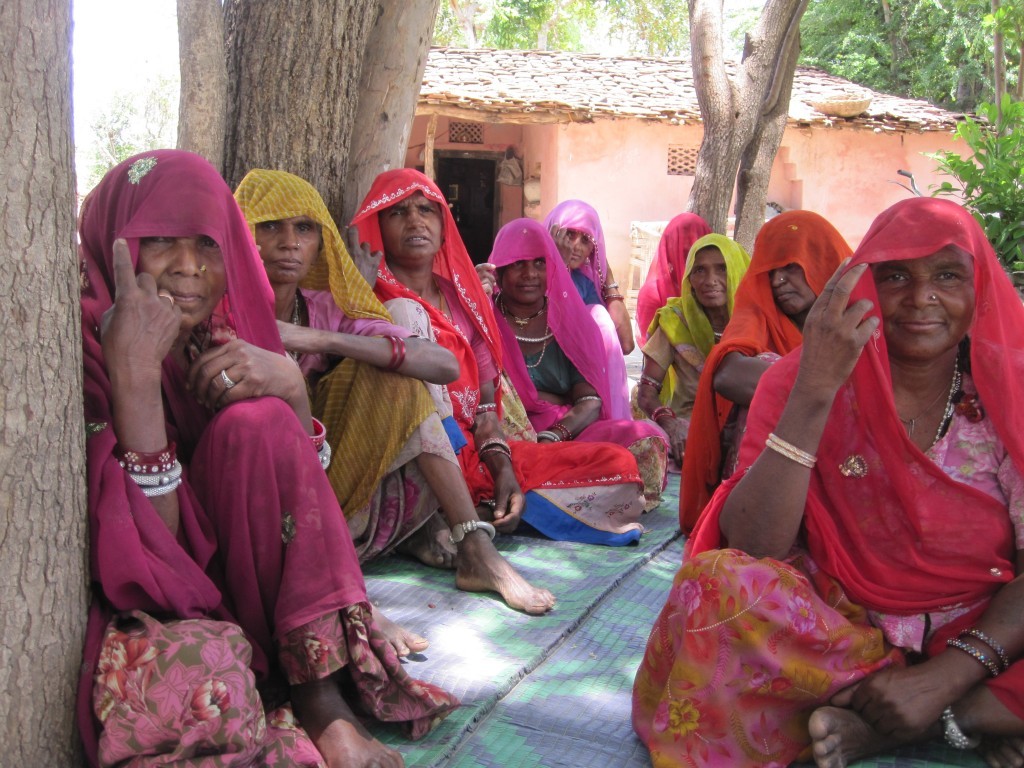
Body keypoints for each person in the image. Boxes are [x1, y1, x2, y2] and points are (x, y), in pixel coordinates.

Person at [78, 150, 457, 768]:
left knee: (260, 420)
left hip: (253, 586)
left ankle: (319, 696)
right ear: (114, 242)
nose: (188, 267)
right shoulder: (92, 347)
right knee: (199, 682)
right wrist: (137, 380)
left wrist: (292, 387)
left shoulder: (221, 334)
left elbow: (297, 491)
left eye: (207, 242)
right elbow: (156, 560)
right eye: (159, 241)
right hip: (162, 590)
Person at [632, 197, 1024, 768]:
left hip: (984, 632)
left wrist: (947, 678)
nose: (921, 299)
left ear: (980, 284)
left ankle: (928, 720)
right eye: (895, 277)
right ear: (861, 284)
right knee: (716, 587)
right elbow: (752, 544)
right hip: (841, 633)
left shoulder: (1009, 392)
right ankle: (968, 713)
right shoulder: (799, 379)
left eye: (946, 275)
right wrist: (814, 390)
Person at [234, 168, 555, 617]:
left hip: (381, 473)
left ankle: (472, 542)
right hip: (273, 504)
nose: (290, 241)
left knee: (401, 365)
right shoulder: (225, 315)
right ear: (240, 234)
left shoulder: (326, 309)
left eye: (304, 228)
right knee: (385, 349)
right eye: (270, 226)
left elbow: (441, 365)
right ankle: (461, 540)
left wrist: (315, 339)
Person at [352, 169, 648, 547]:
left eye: (426, 210)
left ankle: (487, 505)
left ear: (444, 226)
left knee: (619, 467)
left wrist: (504, 469)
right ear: (378, 224)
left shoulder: (464, 301)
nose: (414, 221)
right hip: (415, 456)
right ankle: (460, 512)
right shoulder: (370, 298)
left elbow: (486, 409)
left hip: (479, 453)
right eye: (397, 212)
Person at [679, 211, 851, 531]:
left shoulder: (859, 322)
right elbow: (728, 374)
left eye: (790, 266)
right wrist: (821, 388)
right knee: (762, 386)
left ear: (821, 258)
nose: (778, 281)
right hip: (774, 468)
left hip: (846, 459)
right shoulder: (758, 316)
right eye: (771, 271)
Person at [487, 217, 670, 509]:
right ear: (500, 270)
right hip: (501, 437)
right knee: (494, 456)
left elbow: (589, 401)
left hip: (562, 434)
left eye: (539, 263)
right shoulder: (483, 317)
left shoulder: (567, 317)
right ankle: (560, 492)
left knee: (646, 439)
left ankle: (547, 489)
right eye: (518, 263)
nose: (530, 274)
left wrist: (553, 436)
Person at [635, 233, 750, 468]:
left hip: (744, 427)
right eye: (699, 271)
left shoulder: (757, 321)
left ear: (738, 271)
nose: (710, 280)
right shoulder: (674, 321)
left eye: (722, 269)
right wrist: (671, 425)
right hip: (686, 428)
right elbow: (646, 391)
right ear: (689, 279)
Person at [542, 199, 636, 356]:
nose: (576, 246)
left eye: (586, 240)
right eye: (569, 234)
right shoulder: (532, 275)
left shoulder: (583, 283)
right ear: (553, 232)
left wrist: (606, 273)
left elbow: (625, 344)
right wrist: (559, 265)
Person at [635, 212, 712, 345]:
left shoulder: (717, 287)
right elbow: (650, 347)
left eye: (695, 253)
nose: (687, 262)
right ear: (669, 252)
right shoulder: (654, 293)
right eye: (682, 253)